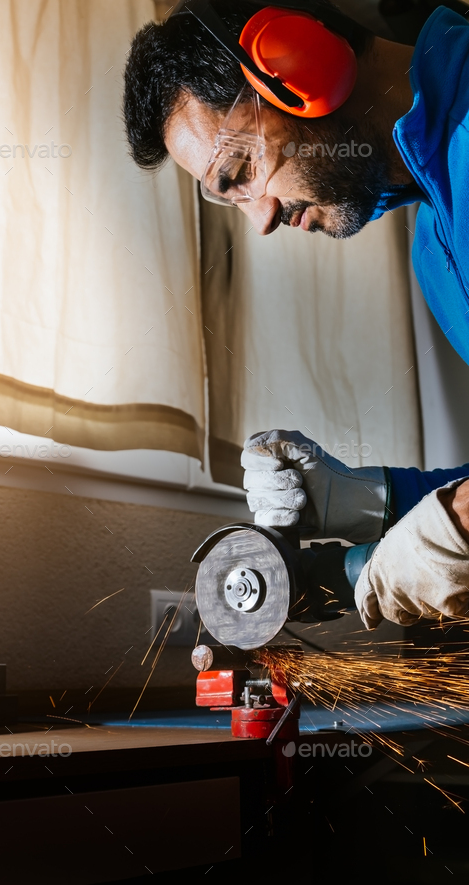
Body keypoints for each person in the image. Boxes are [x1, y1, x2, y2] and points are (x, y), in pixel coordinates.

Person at [123, 0, 469, 628]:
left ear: (298, 64)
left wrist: (400, 558)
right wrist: (373, 504)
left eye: (240, 171)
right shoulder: (435, 247)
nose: (260, 219)